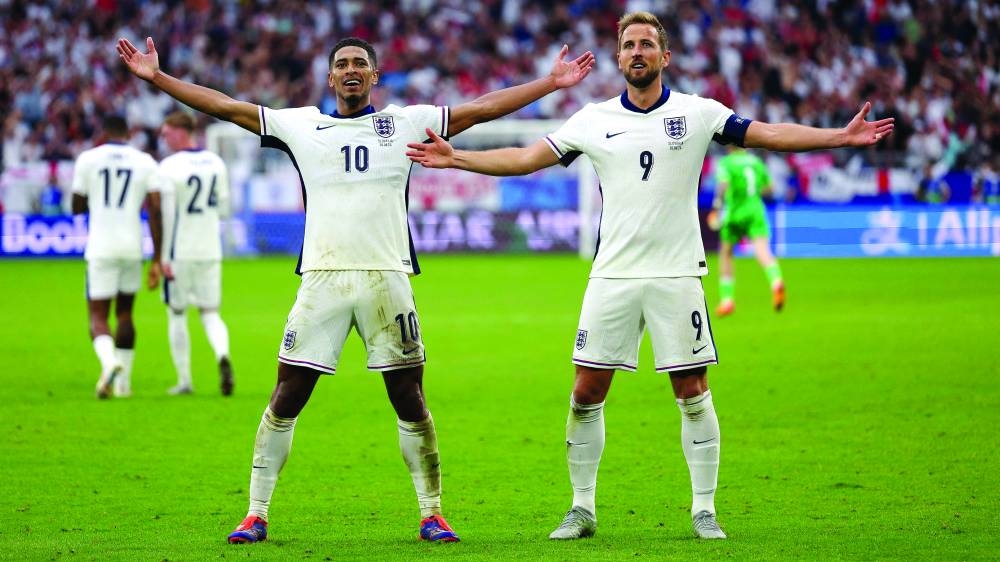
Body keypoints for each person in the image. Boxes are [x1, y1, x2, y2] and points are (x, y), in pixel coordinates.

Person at [406, 11, 894, 541]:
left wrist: (838, 139)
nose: (636, 52)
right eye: (628, 45)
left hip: (677, 274)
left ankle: (704, 509)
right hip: (612, 276)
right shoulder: (591, 120)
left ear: (665, 57)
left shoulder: (699, 112)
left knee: (692, 388)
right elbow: (527, 157)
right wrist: (458, 158)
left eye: (646, 44)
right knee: (586, 389)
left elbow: (768, 133)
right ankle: (582, 508)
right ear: (619, 58)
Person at [117, 34, 594, 544]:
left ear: (374, 76)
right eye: (341, 64)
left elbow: (479, 109)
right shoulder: (301, 124)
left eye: (359, 64)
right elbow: (226, 107)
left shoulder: (407, 122)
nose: (350, 70)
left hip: (387, 279)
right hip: (322, 280)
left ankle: (431, 513)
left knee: (409, 396)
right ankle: (256, 513)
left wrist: (551, 82)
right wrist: (159, 78)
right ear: (329, 78)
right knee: (287, 396)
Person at [71, 114, 162, 399]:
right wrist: (158, 256)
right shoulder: (145, 161)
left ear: (103, 132)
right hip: (132, 246)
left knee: (98, 316)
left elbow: (76, 206)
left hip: (101, 246)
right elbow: (156, 210)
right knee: (125, 313)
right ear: (129, 132)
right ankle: (124, 386)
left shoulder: (88, 159)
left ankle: (110, 363)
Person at [154, 110, 235, 396]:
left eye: (166, 134)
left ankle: (185, 380)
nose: (164, 140)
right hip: (210, 249)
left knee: (176, 313)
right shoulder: (216, 162)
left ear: (179, 131)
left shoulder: (168, 167)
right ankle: (222, 354)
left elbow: (166, 215)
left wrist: (162, 257)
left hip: (180, 252)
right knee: (210, 312)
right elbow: (225, 209)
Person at [708, 147, 784, 317]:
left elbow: (723, 185)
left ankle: (727, 300)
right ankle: (776, 282)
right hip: (755, 209)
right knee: (762, 251)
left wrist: (716, 207)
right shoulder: (756, 162)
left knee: (726, 253)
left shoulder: (726, 163)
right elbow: (770, 189)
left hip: (735, 212)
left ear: (728, 146)